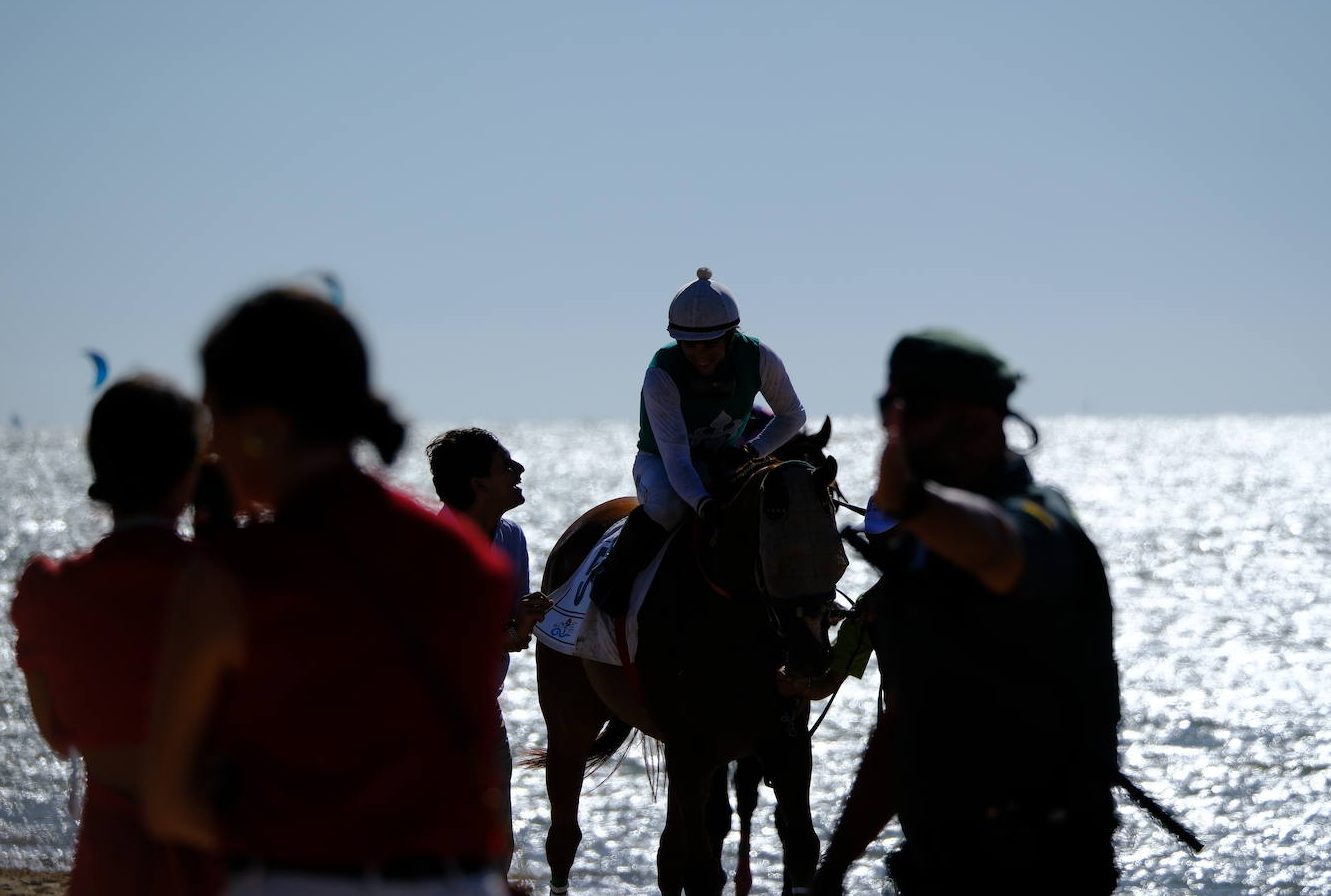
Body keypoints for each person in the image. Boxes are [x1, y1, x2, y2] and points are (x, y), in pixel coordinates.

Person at [143, 288, 514, 896]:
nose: (211, 445)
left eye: (217, 417)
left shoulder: (227, 580)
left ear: (263, 425)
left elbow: (168, 801)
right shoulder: (469, 567)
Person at [813, 329, 1122, 895]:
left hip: (1043, 872)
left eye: (910, 413)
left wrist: (908, 500)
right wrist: (829, 873)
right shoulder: (928, 552)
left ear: (978, 423)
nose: (894, 428)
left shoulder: (1044, 526)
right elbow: (904, 728)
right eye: (890, 410)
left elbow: (1001, 549)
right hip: (938, 866)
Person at [10, 375, 221, 895]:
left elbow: (56, 734)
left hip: (108, 863)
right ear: (188, 471)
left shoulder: (49, 592)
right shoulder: (228, 587)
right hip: (213, 858)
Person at [592, 267, 808, 614]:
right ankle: (610, 580)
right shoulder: (661, 373)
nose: (701, 355)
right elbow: (677, 460)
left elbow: (793, 416)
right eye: (689, 346)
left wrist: (752, 452)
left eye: (710, 344)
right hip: (662, 463)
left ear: (731, 335)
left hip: (725, 460)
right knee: (668, 506)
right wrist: (704, 504)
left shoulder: (760, 357)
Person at [425, 428, 553, 881]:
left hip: (483, 710)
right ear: (479, 486)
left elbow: (508, 636)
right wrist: (511, 627)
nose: (519, 472)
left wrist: (525, 620)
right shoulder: (430, 547)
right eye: (506, 467)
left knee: (496, 848)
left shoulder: (511, 537)